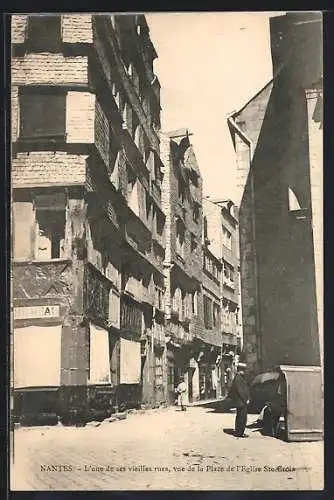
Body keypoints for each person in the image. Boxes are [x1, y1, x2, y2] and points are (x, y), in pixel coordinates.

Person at [228, 362, 250, 438]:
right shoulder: (238, 378)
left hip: (241, 402)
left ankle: (239, 432)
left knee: (241, 417)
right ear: (240, 370)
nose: (244, 372)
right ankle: (239, 433)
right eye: (243, 370)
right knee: (242, 418)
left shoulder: (239, 377)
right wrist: (245, 399)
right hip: (241, 402)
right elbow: (240, 390)